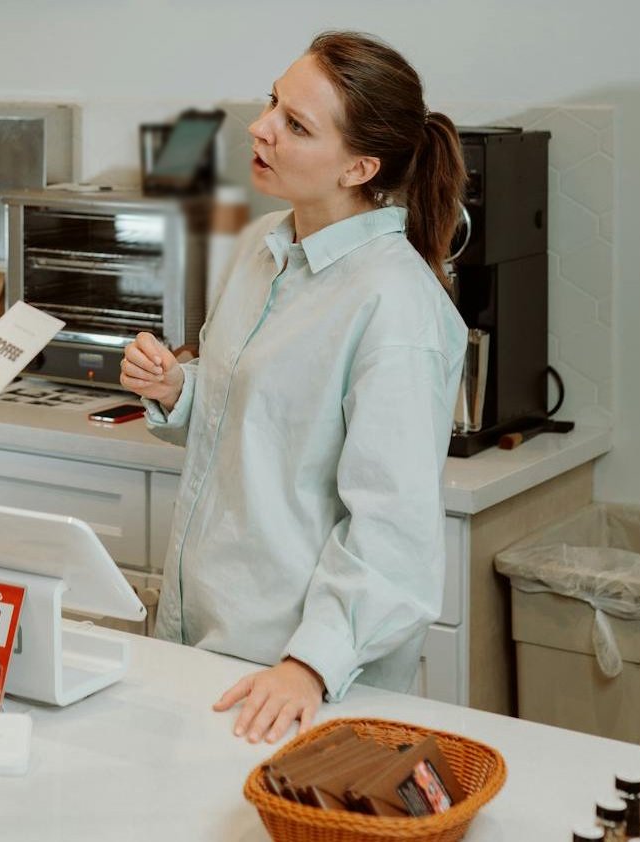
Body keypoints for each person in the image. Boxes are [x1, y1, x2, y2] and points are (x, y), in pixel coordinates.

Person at [122, 31, 467, 746]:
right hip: (204, 641)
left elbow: (393, 536)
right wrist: (178, 388)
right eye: (272, 101)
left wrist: (308, 667)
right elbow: (256, 427)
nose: (261, 127)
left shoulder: (394, 307)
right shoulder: (265, 246)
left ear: (359, 167)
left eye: (296, 124)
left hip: (297, 681)